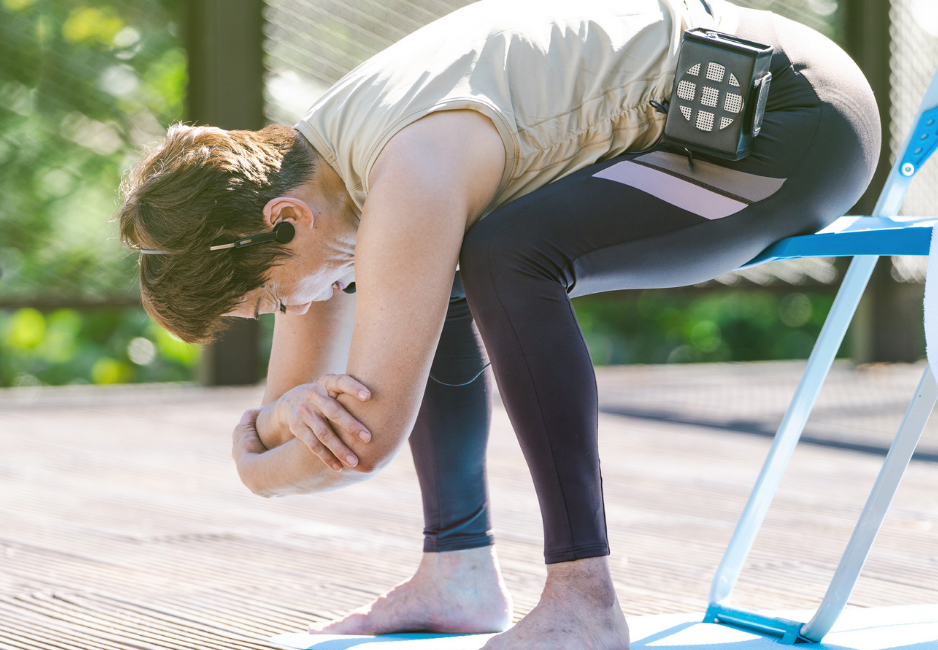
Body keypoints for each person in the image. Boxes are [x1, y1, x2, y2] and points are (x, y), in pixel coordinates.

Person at [116, 0, 879, 646]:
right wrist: (271, 427)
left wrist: (253, 457)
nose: (292, 310)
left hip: (784, 113)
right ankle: (458, 575)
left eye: (271, 298)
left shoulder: (405, 167)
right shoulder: (320, 171)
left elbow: (360, 443)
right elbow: (288, 410)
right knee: (443, 267)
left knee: (506, 255)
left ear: (283, 221)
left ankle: (584, 596)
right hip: (720, 115)